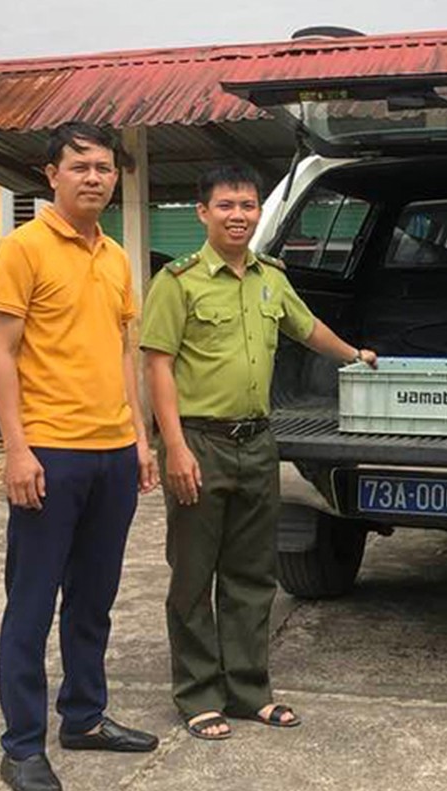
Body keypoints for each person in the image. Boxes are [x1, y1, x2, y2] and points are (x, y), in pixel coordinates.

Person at [141, 164, 376, 741]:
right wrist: (172, 446)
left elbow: (306, 327)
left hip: (257, 442)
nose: (239, 215)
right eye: (226, 206)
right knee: (194, 576)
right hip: (200, 442)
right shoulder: (179, 281)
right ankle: (198, 695)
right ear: (203, 213)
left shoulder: (271, 278)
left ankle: (248, 690)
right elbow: (157, 366)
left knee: (252, 575)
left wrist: (356, 355)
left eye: (247, 205)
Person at [0, 121, 160, 791]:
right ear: (50, 174)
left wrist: (140, 439)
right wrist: (17, 450)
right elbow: (0, 351)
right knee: (30, 606)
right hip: (50, 453)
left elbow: (123, 351)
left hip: (113, 453)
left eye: (105, 168)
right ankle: (22, 746)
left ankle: (83, 717)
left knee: (94, 601)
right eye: (80, 166)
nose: (94, 177)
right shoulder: (21, 248)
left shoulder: (116, 255)